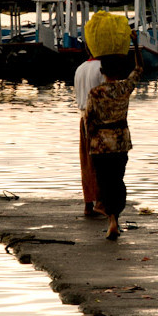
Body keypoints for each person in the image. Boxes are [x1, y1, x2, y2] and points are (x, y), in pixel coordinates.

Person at [84, 32, 143, 240]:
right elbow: (139, 69)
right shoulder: (124, 88)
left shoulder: (95, 93)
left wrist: (90, 143)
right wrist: (135, 44)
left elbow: (88, 120)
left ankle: (111, 220)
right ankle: (115, 219)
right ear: (118, 72)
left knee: (104, 181)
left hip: (100, 144)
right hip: (120, 141)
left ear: (102, 72)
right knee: (117, 180)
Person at [74, 51, 105, 217]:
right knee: (102, 162)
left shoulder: (80, 69)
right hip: (99, 119)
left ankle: (88, 203)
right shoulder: (102, 68)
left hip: (82, 116)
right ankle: (100, 201)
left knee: (86, 161)